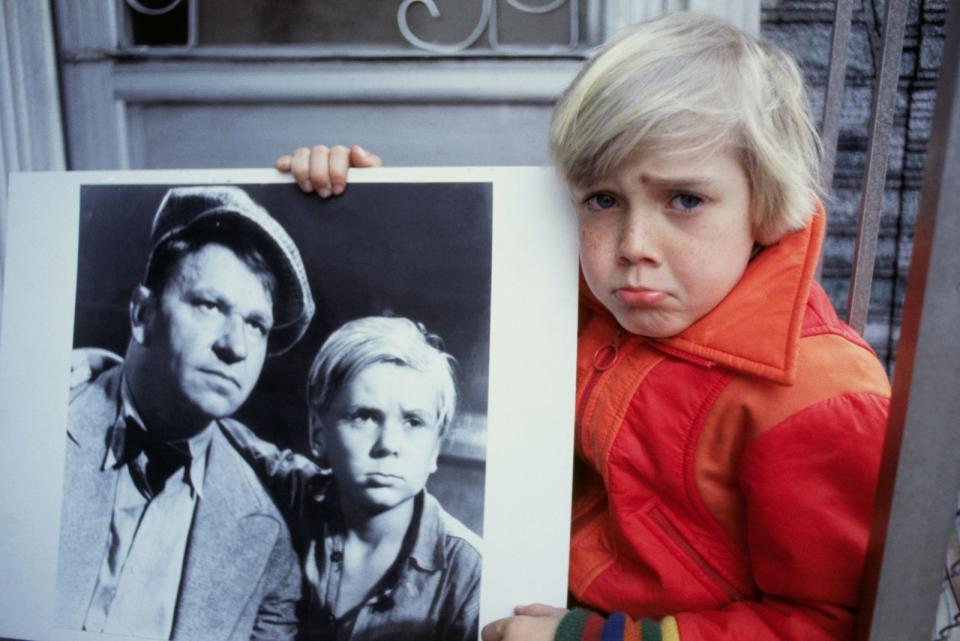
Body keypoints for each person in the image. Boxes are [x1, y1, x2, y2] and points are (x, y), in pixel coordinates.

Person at [276, 10, 891, 641]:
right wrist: (361, 198)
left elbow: (835, 625)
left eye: (684, 200)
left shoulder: (822, 398)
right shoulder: (571, 295)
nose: (633, 245)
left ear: (764, 204)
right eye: (603, 200)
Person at [59, 186, 314, 641]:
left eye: (256, 325)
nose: (235, 346)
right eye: (210, 305)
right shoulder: (32, 424)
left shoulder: (269, 546)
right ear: (142, 314)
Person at [225, 315, 482, 641]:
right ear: (318, 433)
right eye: (363, 416)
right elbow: (211, 425)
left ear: (435, 448)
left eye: (413, 422)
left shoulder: (471, 575)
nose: (388, 444)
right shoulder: (293, 497)